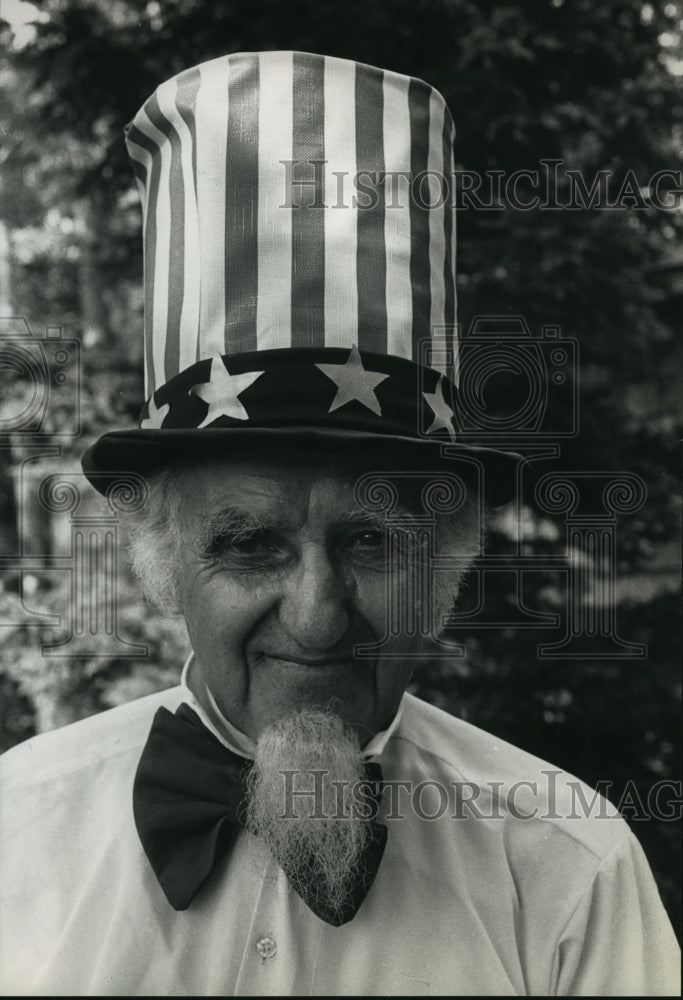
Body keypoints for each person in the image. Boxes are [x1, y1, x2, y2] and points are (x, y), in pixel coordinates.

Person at [0, 51, 679, 996]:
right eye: (250, 546)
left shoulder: (569, 868)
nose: (317, 617)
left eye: (371, 542)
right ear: (161, 561)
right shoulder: (16, 836)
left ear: (444, 560)